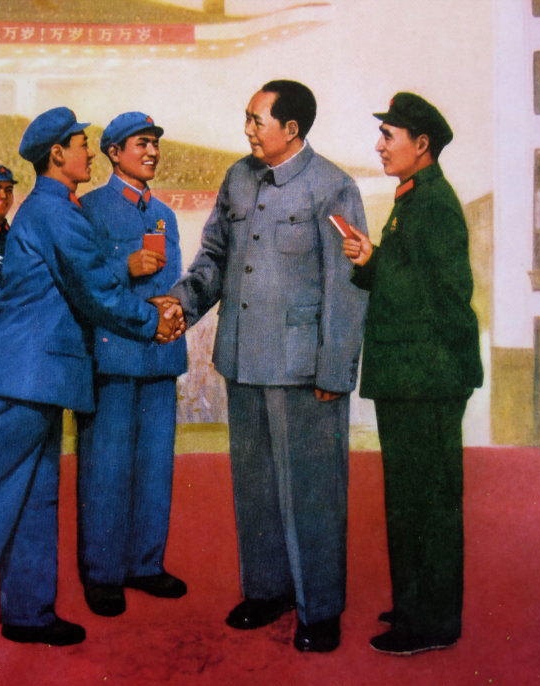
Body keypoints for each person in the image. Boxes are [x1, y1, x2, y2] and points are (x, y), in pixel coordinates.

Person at [0, 107, 184, 674]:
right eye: (81, 144)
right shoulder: (54, 210)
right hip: (22, 378)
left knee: (35, 499)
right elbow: (95, 287)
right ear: (57, 154)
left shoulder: (55, 208)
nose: (88, 152)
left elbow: (89, 281)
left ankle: (28, 613)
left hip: (38, 377)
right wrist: (152, 322)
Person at [169, 80, 368, 652]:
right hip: (242, 357)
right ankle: (267, 591)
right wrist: (181, 304)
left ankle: (321, 610)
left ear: (292, 129)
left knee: (312, 492)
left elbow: (347, 286)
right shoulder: (238, 176)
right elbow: (214, 256)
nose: (248, 130)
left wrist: (335, 372)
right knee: (254, 487)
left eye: (258, 121)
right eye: (248, 118)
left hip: (303, 368)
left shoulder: (333, 186)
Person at [343, 92, 483, 655]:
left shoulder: (433, 203)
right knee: (411, 499)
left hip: (426, 379)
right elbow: (412, 278)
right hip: (414, 377)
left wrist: (376, 261)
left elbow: (446, 294)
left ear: (421, 144)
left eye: (389, 136)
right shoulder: (415, 197)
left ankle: (431, 622)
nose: (380, 146)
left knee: (426, 503)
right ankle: (416, 605)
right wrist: (372, 259)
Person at [78, 112, 187, 617]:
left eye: (155, 144)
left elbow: (172, 282)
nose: (151, 152)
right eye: (141, 144)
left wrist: (174, 309)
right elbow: (83, 283)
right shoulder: (89, 209)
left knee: (154, 468)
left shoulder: (164, 214)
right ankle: (102, 573)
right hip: (114, 357)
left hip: (160, 356)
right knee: (106, 469)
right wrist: (124, 266)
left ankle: (146, 564)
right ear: (114, 152)